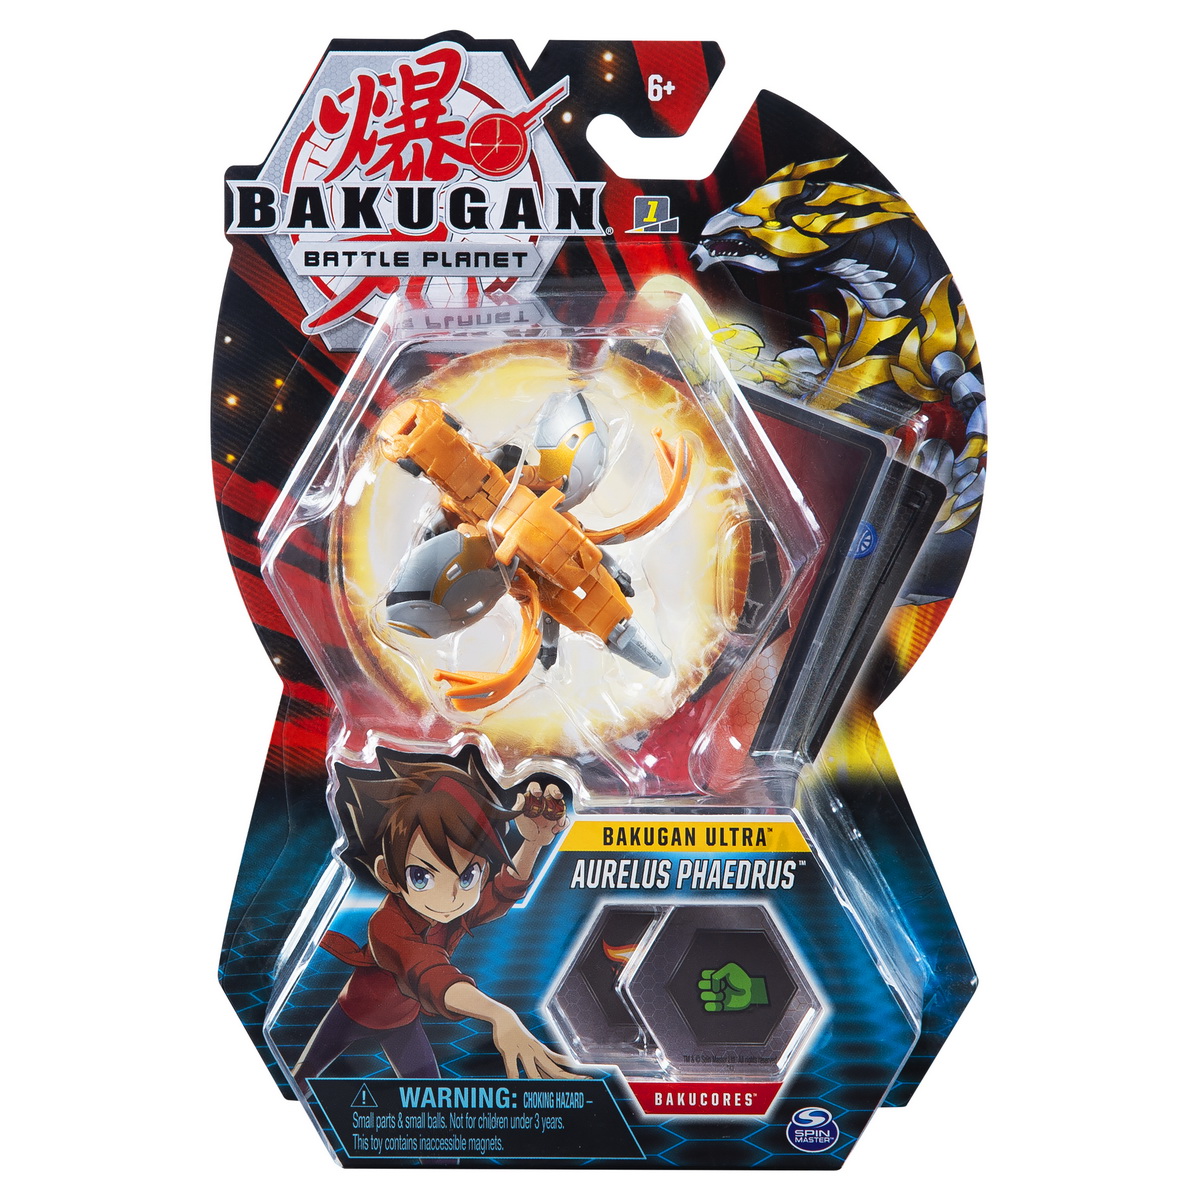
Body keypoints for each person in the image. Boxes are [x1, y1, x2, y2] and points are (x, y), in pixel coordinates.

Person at [293, 756, 577, 1089]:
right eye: (422, 876)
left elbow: (499, 895)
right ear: (388, 874)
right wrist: (498, 1014)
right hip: (353, 1011)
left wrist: (532, 844)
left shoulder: (451, 913)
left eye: (468, 876)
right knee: (299, 1078)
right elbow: (430, 973)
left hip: (403, 1021)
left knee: (431, 1096)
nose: (451, 896)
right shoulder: (386, 925)